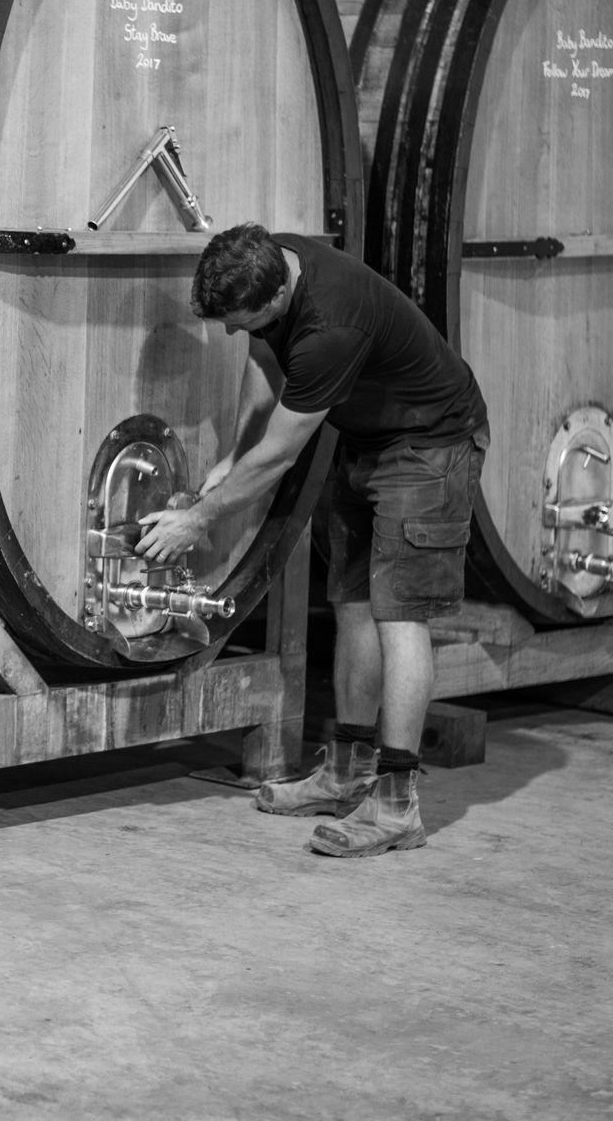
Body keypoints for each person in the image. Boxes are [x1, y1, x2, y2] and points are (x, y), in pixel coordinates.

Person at [136, 223, 488, 857]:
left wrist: (200, 518)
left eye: (239, 320)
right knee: (353, 602)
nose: (228, 331)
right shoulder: (273, 259)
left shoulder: (332, 329)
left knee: (400, 617)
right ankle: (348, 771)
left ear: (276, 297)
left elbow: (281, 457)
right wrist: (233, 454)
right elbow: (263, 360)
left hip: (430, 447)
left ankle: (398, 801)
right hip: (370, 439)